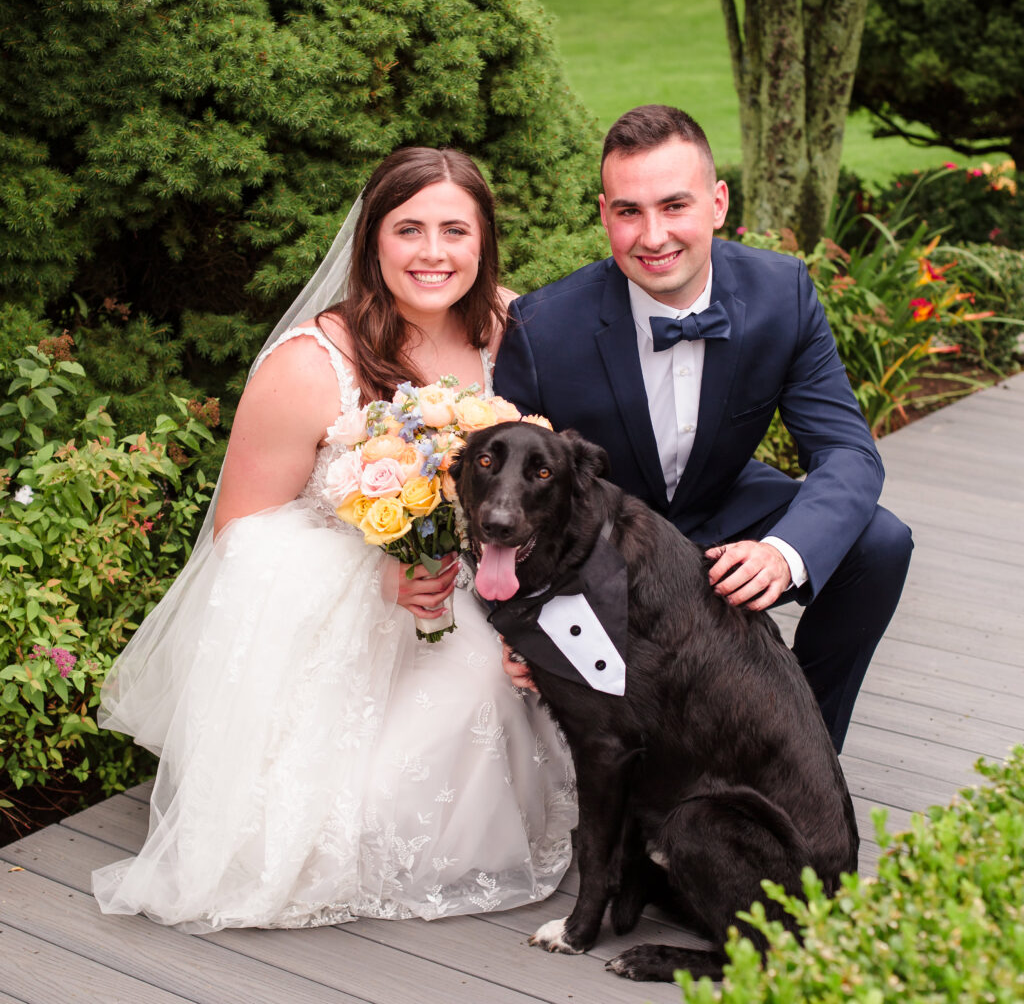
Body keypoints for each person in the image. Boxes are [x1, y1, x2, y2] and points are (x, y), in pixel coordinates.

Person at [92, 147, 576, 933]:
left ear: (483, 241)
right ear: (372, 242)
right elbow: (239, 533)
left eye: (456, 230)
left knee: (488, 688)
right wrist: (378, 581)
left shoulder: (513, 333)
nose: (433, 253)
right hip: (339, 613)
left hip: (481, 589)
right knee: (363, 814)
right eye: (408, 229)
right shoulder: (308, 366)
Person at [494, 105, 913, 753]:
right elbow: (506, 498)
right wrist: (528, 622)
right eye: (629, 211)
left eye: (674, 206)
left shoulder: (783, 293)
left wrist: (783, 551)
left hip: (719, 507)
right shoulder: (543, 330)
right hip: (605, 543)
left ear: (718, 203)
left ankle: (802, 750)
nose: (653, 235)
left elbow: (846, 451)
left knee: (879, 543)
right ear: (604, 214)